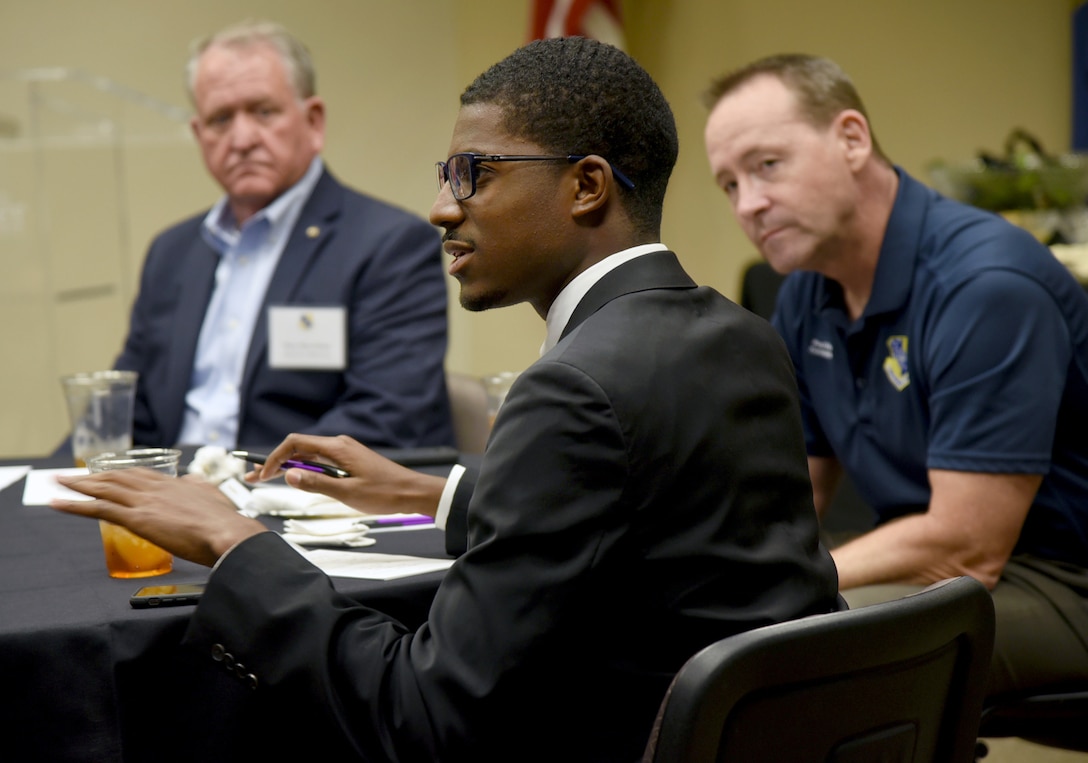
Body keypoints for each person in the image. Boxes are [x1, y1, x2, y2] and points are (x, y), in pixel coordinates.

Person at [52, 38, 840, 762]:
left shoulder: (571, 386)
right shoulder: (742, 335)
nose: (441, 208)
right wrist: (432, 492)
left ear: (586, 186)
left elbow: (423, 716)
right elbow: (651, 534)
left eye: (474, 174)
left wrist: (236, 545)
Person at [703, 53, 1088, 702]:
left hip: (1061, 579)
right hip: (934, 566)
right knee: (688, 629)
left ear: (852, 139)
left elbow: (969, 545)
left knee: (785, 659)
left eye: (767, 165)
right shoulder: (805, 293)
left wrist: (781, 580)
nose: (751, 204)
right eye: (730, 185)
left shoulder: (985, 285)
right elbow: (791, 491)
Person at [114, 19, 453, 451]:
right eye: (220, 118)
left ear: (313, 122)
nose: (241, 139)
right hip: (173, 493)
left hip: (298, 498)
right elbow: (130, 410)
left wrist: (237, 483)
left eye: (263, 112)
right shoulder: (172, 251)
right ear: (200, 135)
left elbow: (386, 414)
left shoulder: (389, 245)